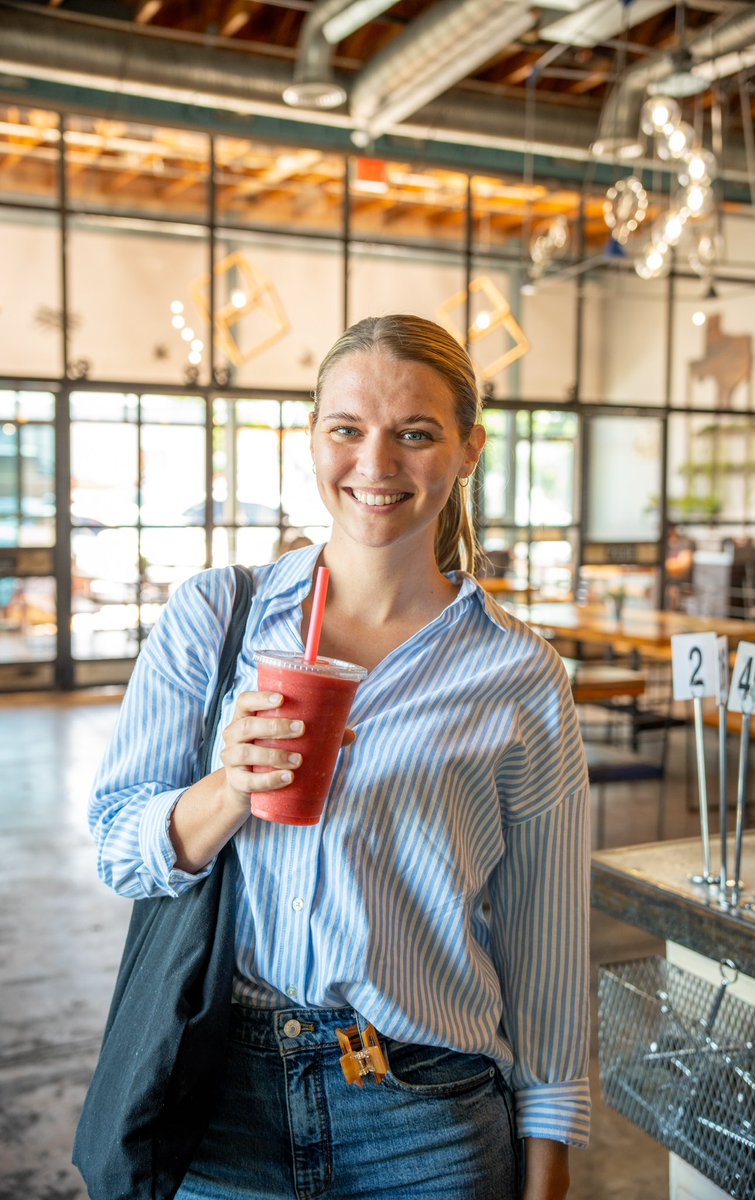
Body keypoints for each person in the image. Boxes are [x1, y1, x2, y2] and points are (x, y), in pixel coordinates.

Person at [88, 314, 590, 1200]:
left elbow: (543, 945)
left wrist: (546, 1164)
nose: (376, 464)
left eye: (416, 433)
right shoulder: (218, 619)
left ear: (469, 449)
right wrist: (229, 787)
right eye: (347, 429)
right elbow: (119, 849)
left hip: (426, 1115)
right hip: (219, 1101)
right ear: (311, 436)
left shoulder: (519, 673)